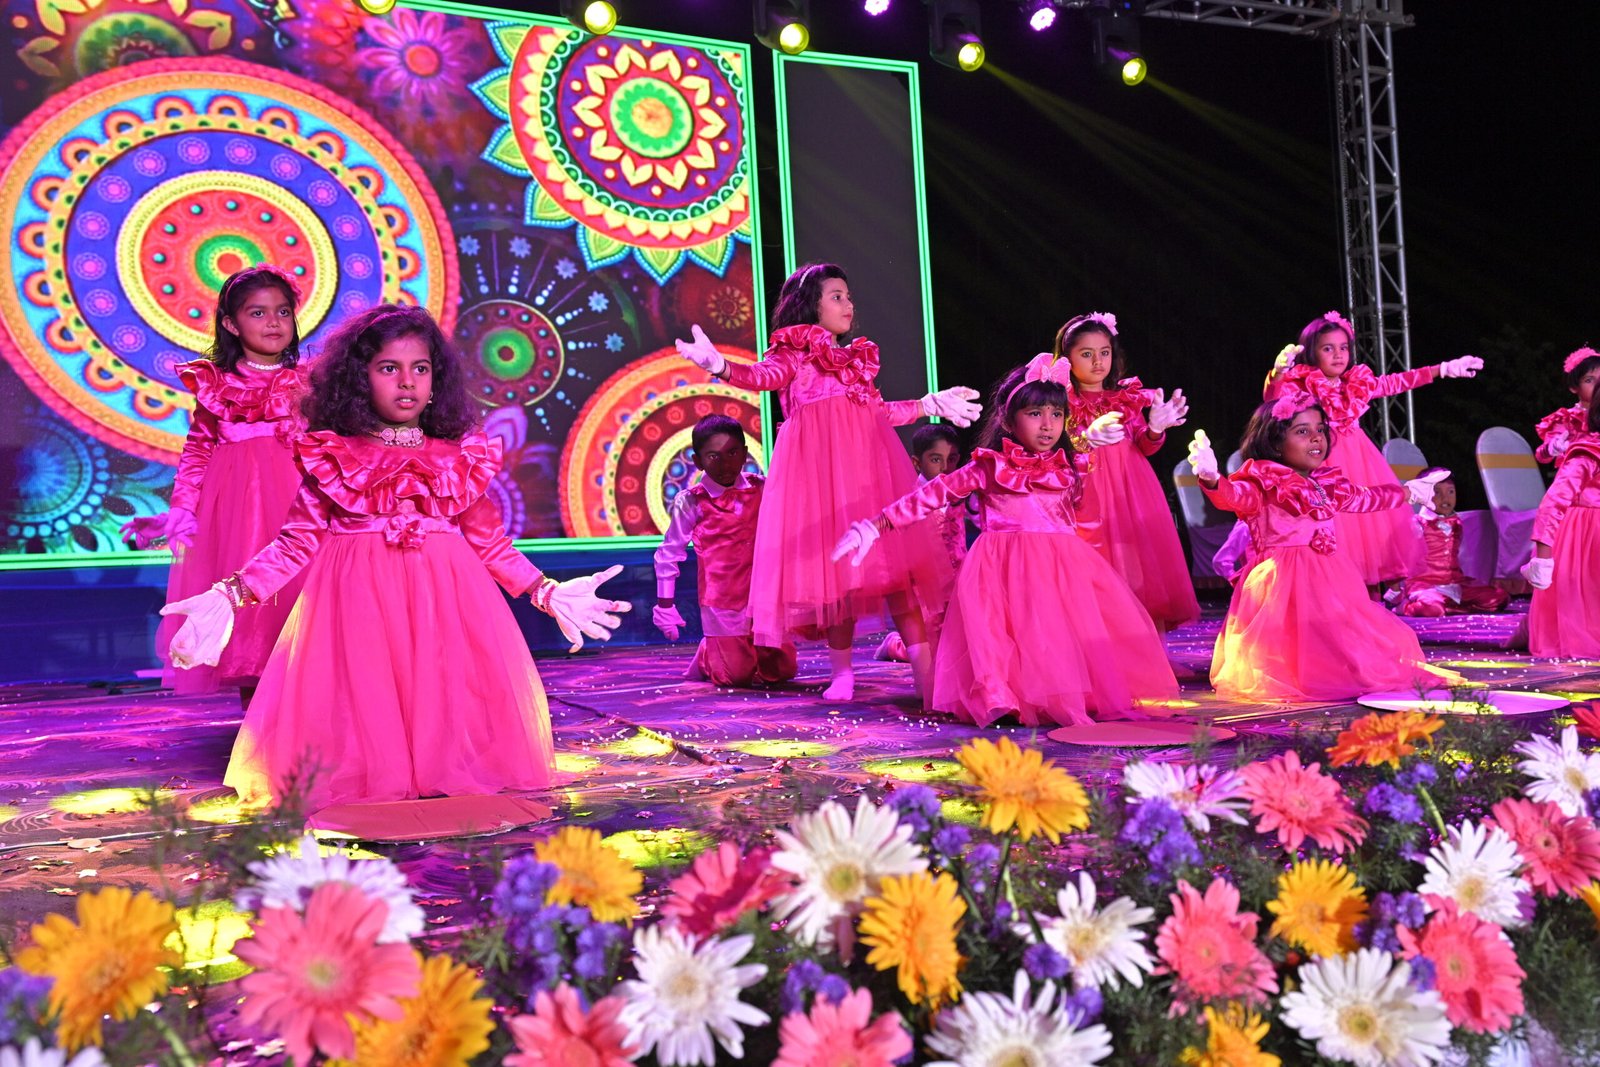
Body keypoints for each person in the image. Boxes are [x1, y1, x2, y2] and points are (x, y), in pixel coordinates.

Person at [160, 305, 629, 812]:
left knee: (442, 687)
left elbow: (491, 544)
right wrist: (229, 595)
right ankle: (378, 773)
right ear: (359, 378)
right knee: (367, 699)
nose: (407, 382)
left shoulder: (457, 459)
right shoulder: (334, 455)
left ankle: (439, 766)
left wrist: (547, 592)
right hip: (359, 603)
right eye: (389, 368)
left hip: (442, 601)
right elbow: (295, 543)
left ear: (436, 379)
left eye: (420, 368)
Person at [673, 262, 981, 703]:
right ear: (810, 304)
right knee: (838, 580)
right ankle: (842, 673)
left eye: (848, 296)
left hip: (870, 476)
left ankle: (926, 675)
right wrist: (720, 366)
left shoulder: (856, 359)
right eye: (836, 296)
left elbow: (878, 413)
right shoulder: (795, 350)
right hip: (821, 482)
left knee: (898, 575)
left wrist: (927, 404)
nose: (848, 304)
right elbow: (763, 377)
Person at [833, 353, 1178, 727]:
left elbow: (1087, 503)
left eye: (1056, 414)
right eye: (1035, 414)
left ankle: (1061, 695)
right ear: (1010, 421)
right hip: (1002, 568)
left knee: (1055, 633)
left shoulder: (1069, 464)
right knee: (1001, 636)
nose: (1047, 425)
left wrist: (1094, 442)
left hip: (1060, 567)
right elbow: (933, 494)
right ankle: (1005, 696)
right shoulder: (991, 466)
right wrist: (877, 525)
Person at [1189, 400, 1464, 702]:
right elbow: (1235, 497)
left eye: (1319, 430)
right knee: (1290, 641)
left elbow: (1365, 498)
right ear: (1275, 442)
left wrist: (1409, 492)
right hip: (1283, 579)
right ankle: (1301, 675)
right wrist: (1212, 480)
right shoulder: (1264, 482)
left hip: (1329, 573)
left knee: (1340, 633)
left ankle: (1338, 670)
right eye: (1302, 431)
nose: (1316, 438)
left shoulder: (1325, 483)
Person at [123, 266, 311, 701]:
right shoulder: (217, 385)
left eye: (283, 311)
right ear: (231, 323)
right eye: (258, 313)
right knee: (248, 625)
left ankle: (305, 722)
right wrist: (182, 508)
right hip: (237, 518)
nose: (273, 322)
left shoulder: (309, 382)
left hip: (298, 510)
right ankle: (256, 727)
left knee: (304, 615)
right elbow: (198, 450)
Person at [1263, 311, 1482, 586]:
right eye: (1328, 348)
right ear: (1311, 352)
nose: (1338, 355)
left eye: (1343, 348)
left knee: (1367, 530)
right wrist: (1277, 374)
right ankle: (1329, 590)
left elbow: (1395, 382)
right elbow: (1272, 399)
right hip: (1321, 463)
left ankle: (1368, 597)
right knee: (1331, 526)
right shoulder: (1303, 384)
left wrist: (1443, 369)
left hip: (1360, 462)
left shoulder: (1356, 384)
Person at [1057, 312, 1199, 631]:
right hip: (1085, 492)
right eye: (1087, 354)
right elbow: (1056, 447)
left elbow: (1144, 446)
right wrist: (1083, 439)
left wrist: (1155, 429)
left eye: (1104, 352)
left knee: (1138, 567)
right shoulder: (1062, 401)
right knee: (1093, 564)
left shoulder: (1124, 397)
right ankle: (1099, 645)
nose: (1098, 362)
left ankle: (1149, 649)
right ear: (1067, 359)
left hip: (1130, 489)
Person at [653, 414, 797, 687]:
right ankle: (709, 653)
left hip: (763, 596)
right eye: (713, 456)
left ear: (744, 452)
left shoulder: (762, 488)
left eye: (732, 453)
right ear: (698, 461)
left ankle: (735, 648)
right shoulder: (692, 501)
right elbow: (669, 553)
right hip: (722, 601)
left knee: (782, 671)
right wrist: (665, 605)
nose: (725, 464)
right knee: (735, 676)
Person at [876, 423, 972, 663]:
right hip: (924, 587)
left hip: (957, 581)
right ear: (917, 463)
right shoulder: (909, 499)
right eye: (936, 459)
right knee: (934, 653)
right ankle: (895, 644)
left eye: (952, 459)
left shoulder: (960, 490)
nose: (945, 467)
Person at [1523, 402, 1600, 657]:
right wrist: (1543, 558)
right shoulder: (1588, 453)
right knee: (1581, 603)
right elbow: (1554, 502)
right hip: (1585, 533)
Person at [1396, 468, 1509, 617]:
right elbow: (1399, 558)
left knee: (1499, 598)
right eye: (1437, 492)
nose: (1445, 498)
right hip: (1426, 585)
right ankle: (1406, 607)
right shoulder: (1417, 524)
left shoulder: (1456, 523)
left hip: (1454, 583)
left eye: (1450, 492)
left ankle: (1449, 606)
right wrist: (1396, 590)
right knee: (1432, 609)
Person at [1534, 346, 1598, 466]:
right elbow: (1541, 456)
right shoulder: (1567, 419)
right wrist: (1553, 447)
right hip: (1577, 477)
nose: (1598, 385)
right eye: (1589, 380)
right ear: (1574, 387)